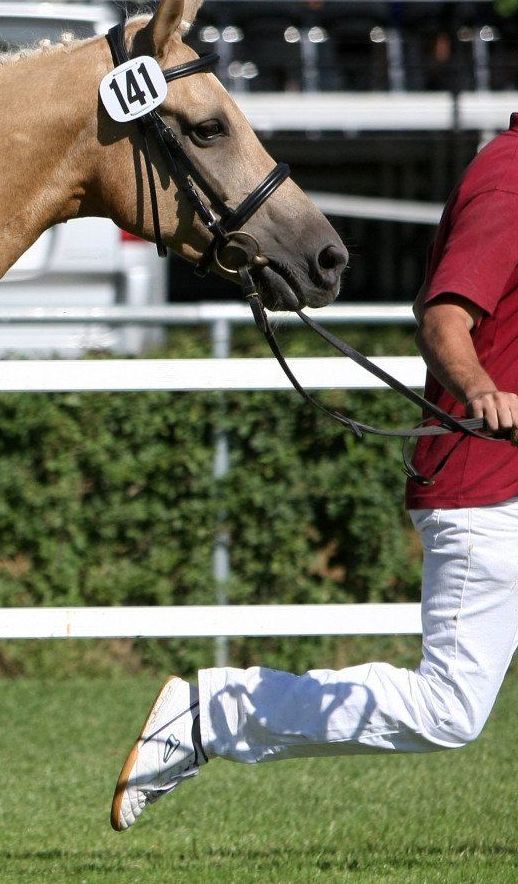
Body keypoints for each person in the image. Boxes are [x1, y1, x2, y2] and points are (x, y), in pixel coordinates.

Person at [113, 116, 518, 831]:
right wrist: (481, 389)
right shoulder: (511, 180)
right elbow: (443, 316)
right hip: (488, 483)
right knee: (450, 708)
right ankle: (217, 714)